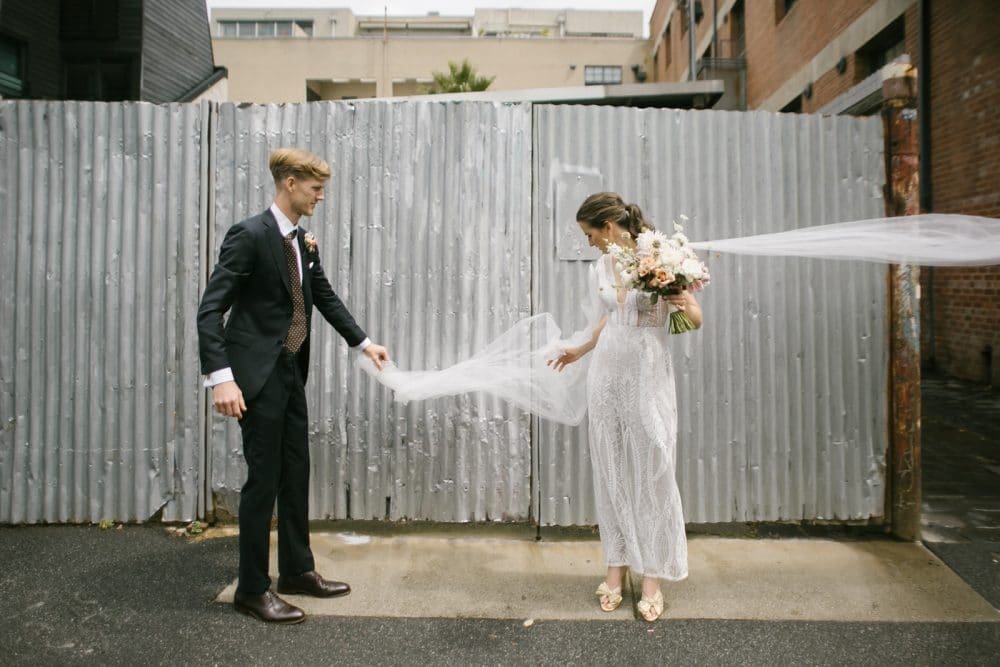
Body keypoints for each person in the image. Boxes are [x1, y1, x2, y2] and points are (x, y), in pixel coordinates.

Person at [197, 148, 390, 624]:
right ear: (289, 183)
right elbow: (210, 310)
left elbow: (321, 296)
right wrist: (222, 378)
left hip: (289, 370)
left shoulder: (301, 241)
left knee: (296, 471)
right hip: (255, 377)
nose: (321, 196)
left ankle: (297, 571)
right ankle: (252, 589)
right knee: (264, 480)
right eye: (315, 188)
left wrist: (364, 342)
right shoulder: (249, 235)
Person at [549, 192, 702, 622]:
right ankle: (616, 567)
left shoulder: (661, 257)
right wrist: (580, 350)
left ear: (609, 227)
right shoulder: (601, 266)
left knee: (653, 470)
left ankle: (651, 575)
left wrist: (680, 302)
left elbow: (695, 317)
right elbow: (609, 318)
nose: (589, 243)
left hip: (648, 376)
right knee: (611, 469)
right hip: (607, 375)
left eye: (589, 234)